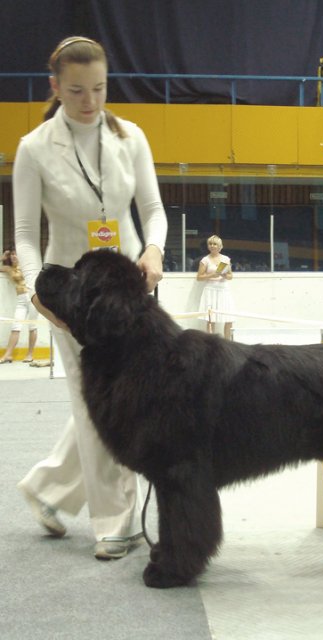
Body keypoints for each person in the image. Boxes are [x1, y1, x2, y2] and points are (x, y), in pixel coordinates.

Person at [13, 36, 167, 558]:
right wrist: (38, 290)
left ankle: (48, 488)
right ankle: (114, 523)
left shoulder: (133, 138)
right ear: (55, 87)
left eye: (99, 88)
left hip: (130, 293)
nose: (90, 101)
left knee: (109, 403)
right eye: (77, 90)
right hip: (73, 299)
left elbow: (153, 208)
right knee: (103, 405)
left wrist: (155, 249)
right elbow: (26, 235)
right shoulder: (34, 148)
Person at [0, 249, 39, 363]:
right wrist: (2, 258)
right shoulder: (8, 268)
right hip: (21, 299)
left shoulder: (27, 266)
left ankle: (30, 354)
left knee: (32, 326)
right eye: (11, 254)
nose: (13, 256)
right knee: (15, 327)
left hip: (32, 297)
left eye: (15, 254)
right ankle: (8, 355)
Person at [197, 235, 234, 340]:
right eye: (210, 244)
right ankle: (211, 342)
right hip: (210, 290)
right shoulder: (205, 260)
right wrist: (211, 275)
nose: (212, 246)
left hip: (223, 290)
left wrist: (224, 275)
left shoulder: (225, 259)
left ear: (220, 246)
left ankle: (228, 342)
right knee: (210, 318)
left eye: (215, 244)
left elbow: (230, 276)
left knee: (228, 317)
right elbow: (199, 277)